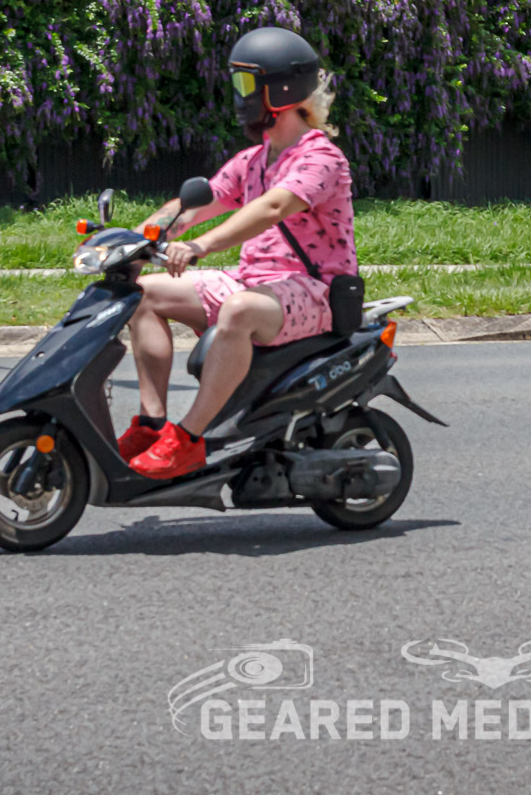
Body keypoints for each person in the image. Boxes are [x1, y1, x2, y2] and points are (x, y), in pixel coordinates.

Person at [103, 26, 357, 481]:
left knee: (238, 310)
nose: (240, 95)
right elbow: (192, 207)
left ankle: (189, 440)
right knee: (142, 294)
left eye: (246, 83)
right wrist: (137, 241)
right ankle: (151, 424)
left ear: (280, 90)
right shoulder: (253, 161)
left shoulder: (321, 159)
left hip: (315, 291)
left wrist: (200, 245)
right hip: (255, 285)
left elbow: (273, 207)